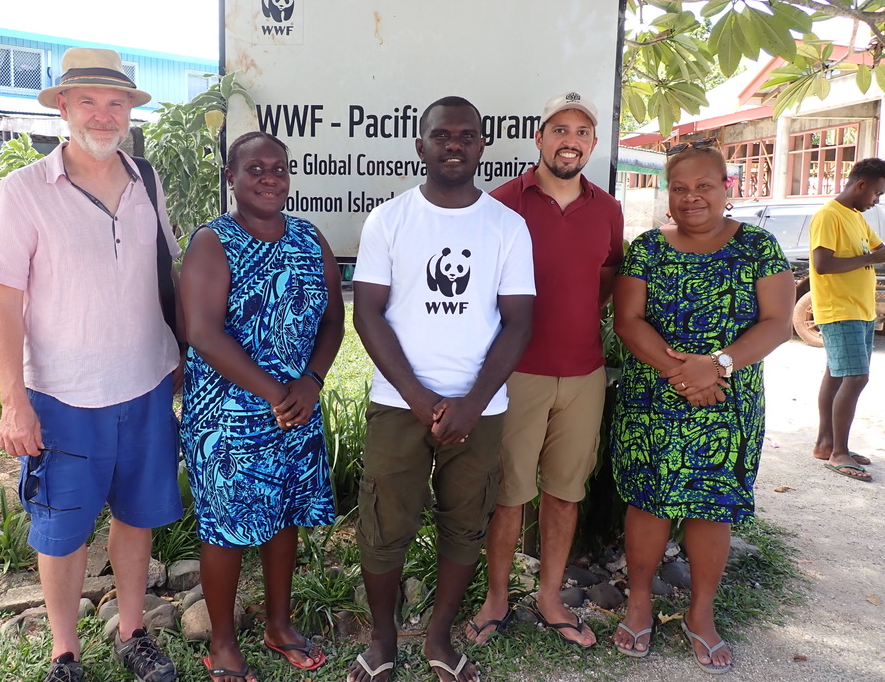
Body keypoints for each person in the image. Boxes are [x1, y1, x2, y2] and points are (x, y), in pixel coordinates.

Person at [0, 48, 183, 682]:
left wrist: (180, 357)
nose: (104, 114)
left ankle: (132, 631)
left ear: (129, 111)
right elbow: (5, 306)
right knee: (61, 530)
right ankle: (64, 653)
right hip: (62, 396)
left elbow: (168, 274)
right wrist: (13, 400)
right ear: (63, 107)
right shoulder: (22, 193)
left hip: (147, 385)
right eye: (89, 101)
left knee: (137, 516)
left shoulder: (148, 182)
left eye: (116, 102)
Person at [349, 96, 535, 682]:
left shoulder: (507, 226)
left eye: (466, 135)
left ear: (481, 146)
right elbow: (368, 315)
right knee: (383, 524)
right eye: (441, 135)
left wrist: (471, 403)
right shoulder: (388, 220)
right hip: (397, 404)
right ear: (420, 145)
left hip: (480, 409)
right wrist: (420, 399)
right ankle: (382, 642)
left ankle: (438, 638)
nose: (453, 144)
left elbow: (519, 321)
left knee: (465, 524)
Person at [610, 141, 794, 672]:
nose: (691, 198)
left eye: (704, 186)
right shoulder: (647, 248)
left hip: (728, 399)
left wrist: (715, 367)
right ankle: (639, 604)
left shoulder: (758, 246)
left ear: (726, 189)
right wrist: (682, 372)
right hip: (655, 402)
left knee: (713, 507)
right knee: (648, 501)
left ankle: (701, 614)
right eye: (680, 188)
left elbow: (778, 322)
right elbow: (628, 321)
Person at [179, 131, 344, 682]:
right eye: (255, 169)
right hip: (226, 417)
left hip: (296, 409)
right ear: (231, 177)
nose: (270, 177)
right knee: (225, 529)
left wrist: (312, 381)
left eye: (279, 168)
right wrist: (278, 392)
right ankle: (222, 644)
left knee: (284, 518)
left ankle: (279, 624)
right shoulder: (213, 241)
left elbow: (331, 321)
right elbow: (201, 332)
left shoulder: (308, 237)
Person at [466, 91, 623, 648]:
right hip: (518, 373)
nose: (570, 141)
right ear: (539, 138)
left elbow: (607, 278)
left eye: (582, 132)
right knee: (509, 494)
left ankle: (551, 597)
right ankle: (496, 598)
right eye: (560, 129)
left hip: (583, 375)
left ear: (593, 145)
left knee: (564, 493)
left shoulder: (606, 208)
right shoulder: (504, 202)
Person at [810, 157, 885, 482]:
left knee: (838, 375)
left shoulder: (856, 217)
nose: (877, 201)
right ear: (861, 185)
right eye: (877, 194)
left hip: (860, 309)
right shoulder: (830, 215)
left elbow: (880, 249)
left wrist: (874, 254)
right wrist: (870, 258)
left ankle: (826, 444)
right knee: (856, 377)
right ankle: (839, 452)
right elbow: (822, 264)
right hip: (841, 309)